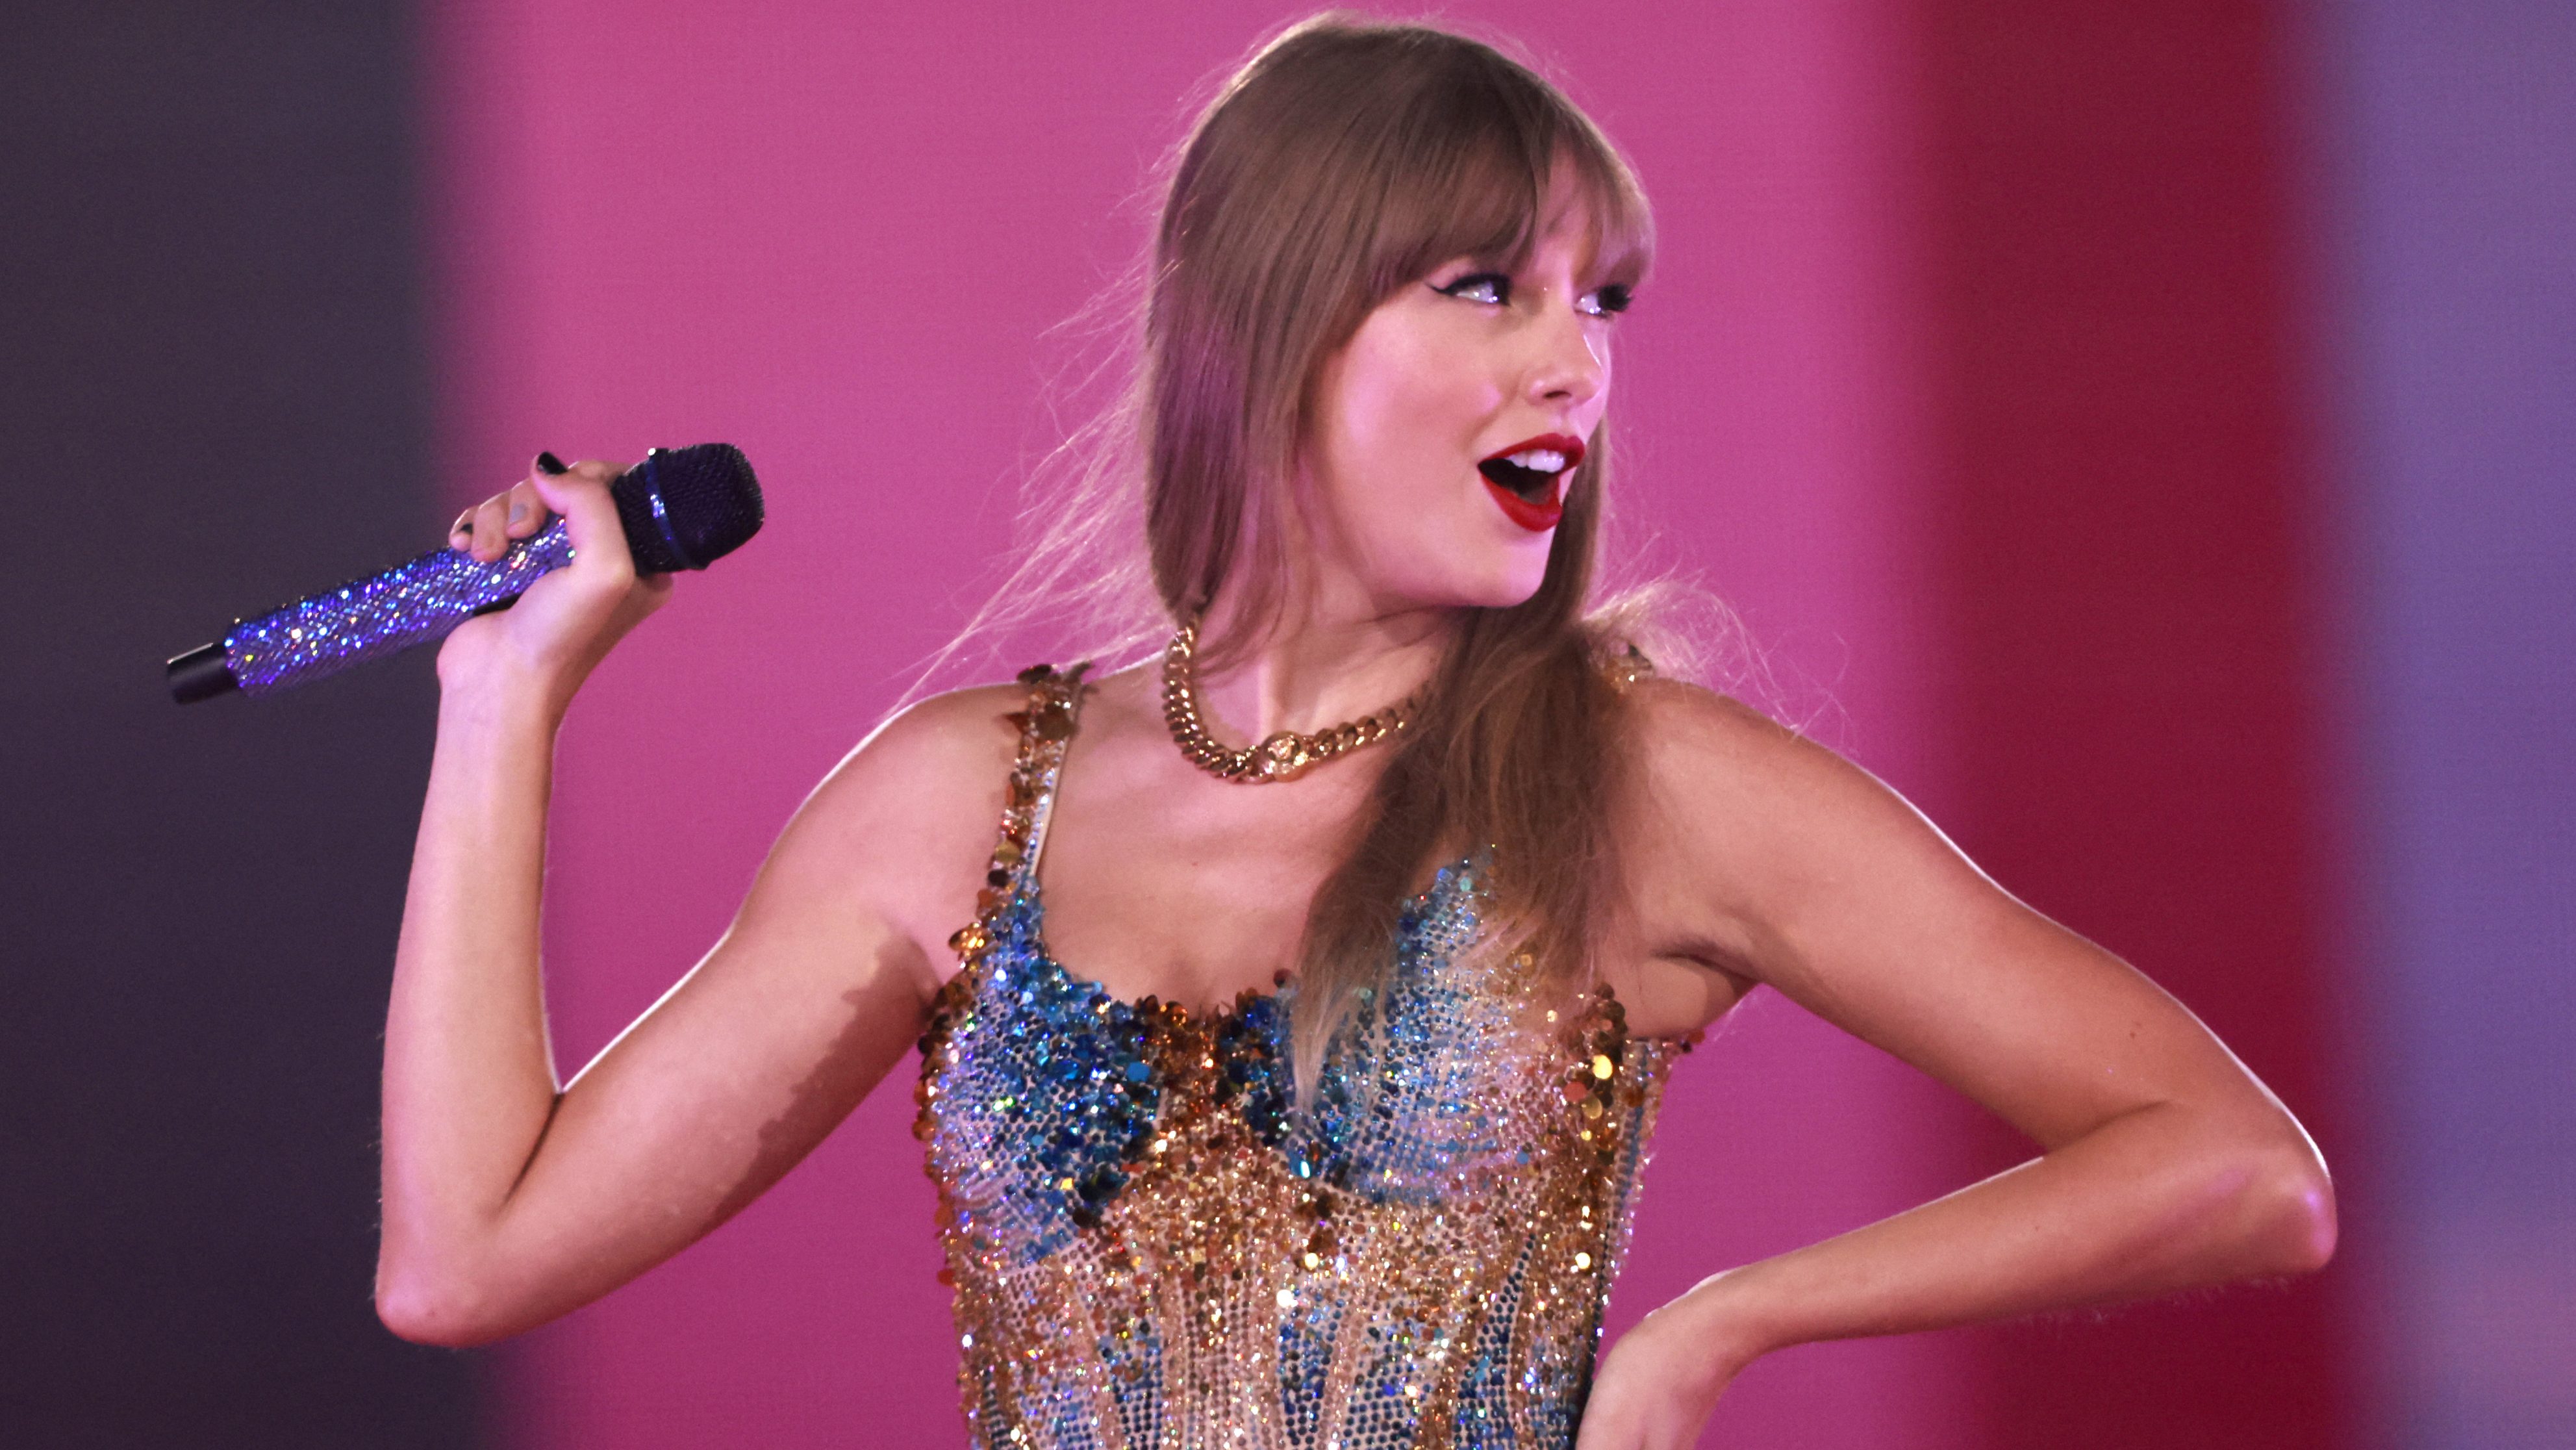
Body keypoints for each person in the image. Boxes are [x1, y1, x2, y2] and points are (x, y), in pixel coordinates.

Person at [374, 16, 2336, 1449]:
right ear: (1271, 324)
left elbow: (2239, 1167)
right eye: (1486, 288)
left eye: (1600, 302)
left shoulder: (1635, 784)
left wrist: (1729, 1324)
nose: (1572, 364)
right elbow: (466, 1262)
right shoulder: (964, 803)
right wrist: (502, 698)